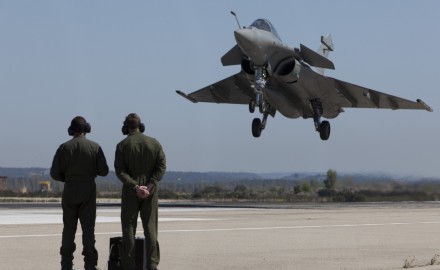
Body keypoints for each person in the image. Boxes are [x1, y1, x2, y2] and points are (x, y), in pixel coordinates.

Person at [50, 116, 109, 270]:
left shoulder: (63, 147)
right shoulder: (95, 147)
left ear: (72, 130)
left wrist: (69, 177)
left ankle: (66, 264)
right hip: (88, 189)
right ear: (86, 129)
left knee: (69, 228)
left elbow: (55, 173)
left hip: (70, 188)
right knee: (88, 229)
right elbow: (104, 171)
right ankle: (90, 265)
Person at [114, 113, 166, 270]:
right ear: (140, 126)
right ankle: (152, 264)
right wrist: (149, 186)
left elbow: (120, 171)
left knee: (128, 228)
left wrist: (136, 187)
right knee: (150, 229)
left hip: (131, 192)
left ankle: (128, 265)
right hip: (150, 193)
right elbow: (161, 166)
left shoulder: (122, 145)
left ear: (126, 127)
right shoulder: (154, 143)